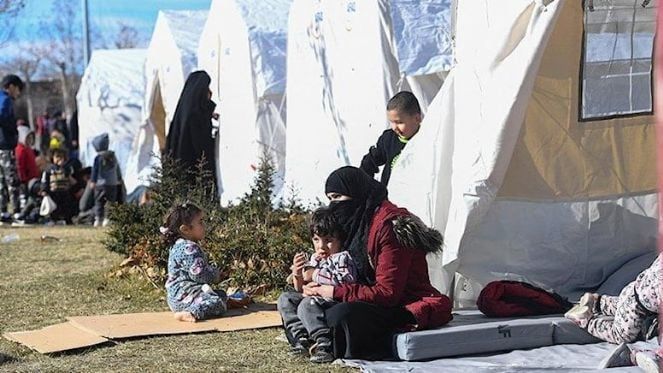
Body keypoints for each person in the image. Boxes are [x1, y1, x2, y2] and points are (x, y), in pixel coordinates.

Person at [300, 166, 452, 360]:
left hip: (403, 304)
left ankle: (325, 341)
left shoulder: (388, 228)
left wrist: (334, 292)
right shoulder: (355, 223)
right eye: (330, 199)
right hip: (366, 297)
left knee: (341, 315)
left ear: (356, 194)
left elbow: (388, 293)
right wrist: (316, 286)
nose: (333, 206)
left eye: (337, 197)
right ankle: (312, 341)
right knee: (297, 302)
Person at [278, 207, 357, 363]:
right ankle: (301, 338)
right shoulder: (315, 258)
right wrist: (298, 274)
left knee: (306, 304)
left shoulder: (342, 258)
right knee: (285, 299)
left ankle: (324, 343)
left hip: (331, 300)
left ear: (339, 240)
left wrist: (314, 274)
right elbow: (300, 288)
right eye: (316, 240)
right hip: (313, 298)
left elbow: (345, 282)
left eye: (328, 240)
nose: (321, 246)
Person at [565, 254, 661, 345]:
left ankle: (598, 302)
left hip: (633, 290)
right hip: (636, 308)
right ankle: (586, 321)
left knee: (621, 306)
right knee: (622, 336)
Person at [163, 203, 228, 322]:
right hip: (184, 295)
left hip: (177, 295)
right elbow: (199, 274)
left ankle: (196, 307)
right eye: (200, 222)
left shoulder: (178, 245)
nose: (204, 225)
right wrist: (216, 274)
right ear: (185, 229)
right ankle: (191, 312)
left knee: (221, 294)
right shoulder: (189, 248)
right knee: (216, 302)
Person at [165, 71, 218, 186]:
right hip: (193, 177)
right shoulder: (196, 117)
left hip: (179, 176)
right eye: (207, 89)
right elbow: (203, 149)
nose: (210, 93)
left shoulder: (182, 113)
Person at [360, 91, 422, 186]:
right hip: (389, 197)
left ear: (417, 119)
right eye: (391, 122)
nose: (394, 127)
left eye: (399, 122)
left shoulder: (425, 139)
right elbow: (370, 161)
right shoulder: (388, 139)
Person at [0, 74, 24, 222]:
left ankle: (2, 212)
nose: (18, 93)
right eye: (18, 89)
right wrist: (13, 130)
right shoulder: (6, 99)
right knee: (12, 179)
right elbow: (2, 115)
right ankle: (16, 212)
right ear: (11, 86)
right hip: (6, 145)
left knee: (1, 180)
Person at [90, 133, 122, 227]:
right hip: (112, 183)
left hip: (100, 184)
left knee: (99, 201)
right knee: (110, 202)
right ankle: (108, 218)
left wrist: (93, 181)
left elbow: (95, 171)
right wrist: (119, 178)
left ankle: (98, 218)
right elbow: (117, 169)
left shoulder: (98, 158)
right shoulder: (113, 156)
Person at [41, 148, 77, 224]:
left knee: (66, 206)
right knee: (54, 207)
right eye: (57, 157)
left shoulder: (67, 168)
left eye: (61, 157)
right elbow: (45, 180)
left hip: (65, 191)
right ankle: (53, 219)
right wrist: (44, 190)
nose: (59, 159)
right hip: (53, 192)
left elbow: (71, 179)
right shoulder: (49, 169)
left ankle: (67, 219)